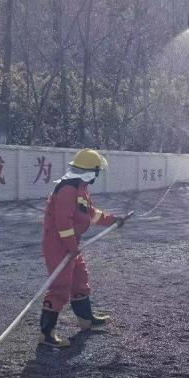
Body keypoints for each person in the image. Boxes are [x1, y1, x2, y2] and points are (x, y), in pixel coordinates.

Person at [39, 149, 130, 348]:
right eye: (97, 171)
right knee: (60, 285)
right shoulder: (67, 190)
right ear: (91, 171)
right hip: (58, 244)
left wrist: (113, 220)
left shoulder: (80, 188)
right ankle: (46, 334)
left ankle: (86, 319)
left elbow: (91, 214)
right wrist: (72, 247)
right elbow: (63, 224)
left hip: (70, 242)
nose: (98, 175)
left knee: (80, 278)